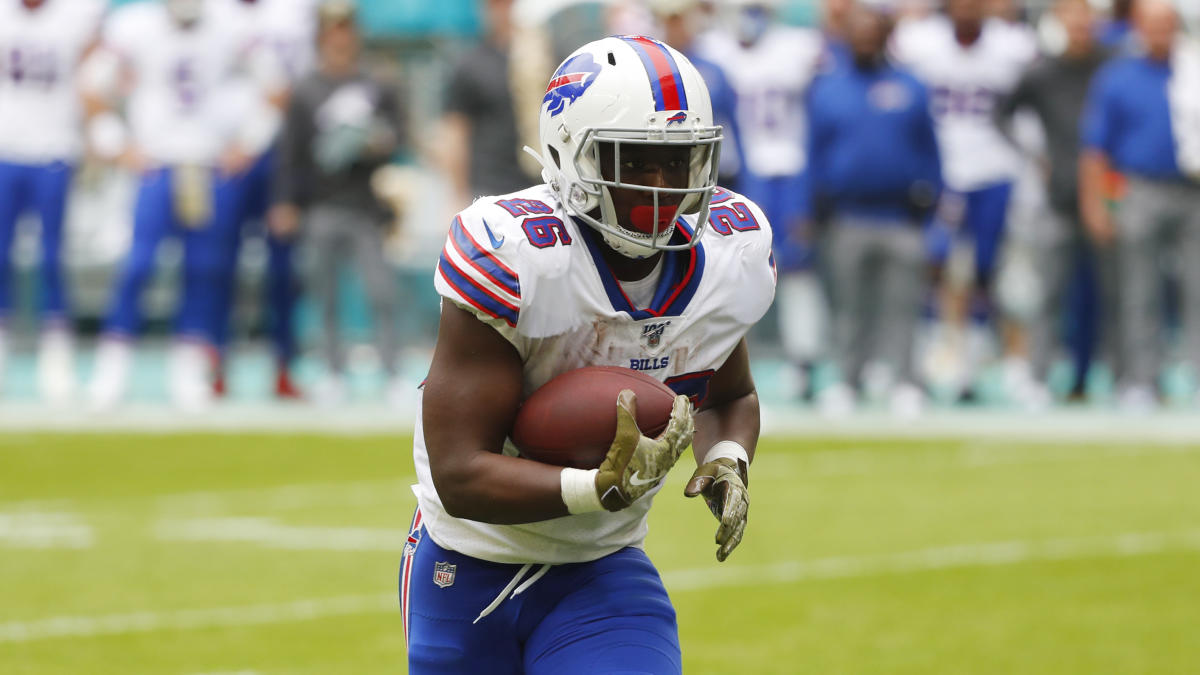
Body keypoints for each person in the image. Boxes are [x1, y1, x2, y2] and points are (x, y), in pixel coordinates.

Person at [402, 36, 774, 673]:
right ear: (570, 151)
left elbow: (730, 394)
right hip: (465, 565)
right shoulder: (517, 253)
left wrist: (728, 457)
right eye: (635, 162)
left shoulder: (728, 255)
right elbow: (458, 472)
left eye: (680, 163)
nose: (662, 189)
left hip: (602, 570)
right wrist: (595, 488)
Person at [83, 0, 249, 411]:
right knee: (138, 267)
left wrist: (247, 143)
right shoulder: (135, 25)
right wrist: (117, 144)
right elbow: (90, 85)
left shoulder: (227, 24)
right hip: (156, 165)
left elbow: (274, 86)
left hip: (204, 166)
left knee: (201, 271)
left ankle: (188, 372)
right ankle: (112, 370)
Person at [891, 0, 1036, 401]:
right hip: (941, 172)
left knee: (991, 275)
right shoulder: (920, 41)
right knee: (933, 270)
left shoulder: (1013, 45)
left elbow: (1030, 106)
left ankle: (984, 367)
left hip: (996, 170)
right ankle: (927, 365)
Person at [807, 0, 941, 418]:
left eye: (873, 32)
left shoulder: (911, 86)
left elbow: (930, 150)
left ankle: (906, 381)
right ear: (846, 36)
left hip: (900, 215)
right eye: (858, 32)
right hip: (847, 215)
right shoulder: (827, 87)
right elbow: (812, 153)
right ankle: (848, 379)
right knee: (848, 306)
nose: (865, 40)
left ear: (887, 36)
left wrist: (931, 196)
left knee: (903, 304)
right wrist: (812, 204)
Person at [270, 0, 405, 406]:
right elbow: (291, 150)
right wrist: (285, 201)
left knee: (380, 291)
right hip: (321, 204)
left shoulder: (375, 83)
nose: (340, 38)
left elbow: (394, 137)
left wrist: (373, 142)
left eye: (346, 29)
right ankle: (331, 370)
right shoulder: (307, 89)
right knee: (324, 294)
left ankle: (392, 370)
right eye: (333, 31)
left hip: (364, 203)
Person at [696, 0, 825, 403]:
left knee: (799, 269)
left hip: (789, 169)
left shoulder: (798, 46)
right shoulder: (712, 49)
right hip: (737, 173)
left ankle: (803, 362)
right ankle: (728, 371)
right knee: (732, 269)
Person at [1079, 0, 1200, 411]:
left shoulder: (1192, 72)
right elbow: (1095, 150)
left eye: (1167, 25)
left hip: (1192, 191)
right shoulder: (1118, 78)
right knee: (1138, 291)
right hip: (1140, 190)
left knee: (1197, 290)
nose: (1160, 33)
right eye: (1152, 25)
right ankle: (1141, 381)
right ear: (1136, 28)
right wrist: (1096, 205)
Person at [995, 0, 1110, 403]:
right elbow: (1001, 114)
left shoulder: (1111, 68)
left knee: (1113, 294)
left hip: (1110, 198)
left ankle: (1100, 378)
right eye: (1071, 18)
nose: (1079, 25)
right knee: (1049, 294)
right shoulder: (1043, 73)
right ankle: (1038, 375)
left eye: (1084, 17)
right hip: (1058, 197)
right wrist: (1034, 155)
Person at [207, 0, 319, 400]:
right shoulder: (211, 13)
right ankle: (214, 365)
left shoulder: (298, 10)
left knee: (284, 273)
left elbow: (294, 88)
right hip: (222, 155)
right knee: (217, 266)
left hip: (279, 155)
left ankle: (285, 367)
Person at [0, 0, 106, 403]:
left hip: (54, 148)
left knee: (51, 258)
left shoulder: (75, 16)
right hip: (5, 147)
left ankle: (56, 363)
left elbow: (95, 77)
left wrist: (97, 132)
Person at [437, 0, 531, 211]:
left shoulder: (544, 55)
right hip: (490, 186)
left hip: (540, 183)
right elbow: (455, 132)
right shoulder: (471, 64)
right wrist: (457, 195)